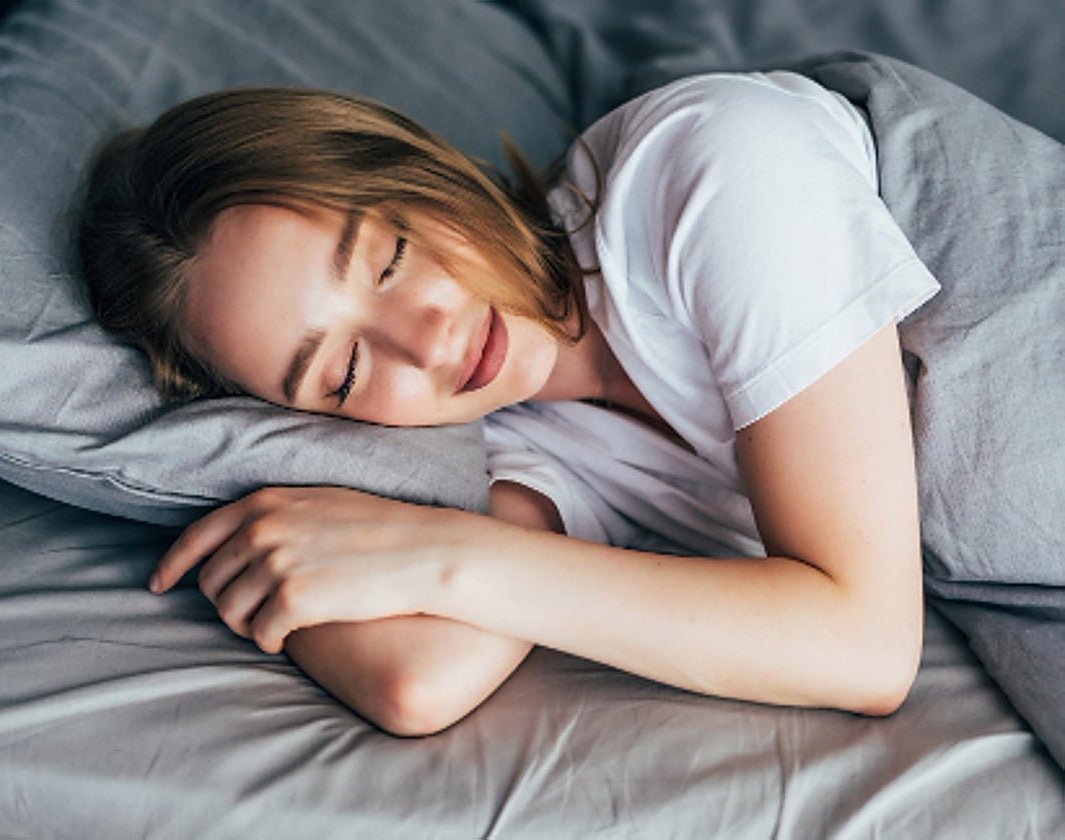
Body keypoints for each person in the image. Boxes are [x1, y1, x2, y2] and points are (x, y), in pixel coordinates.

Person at [77, 73, 939, 737]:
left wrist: (447, 556)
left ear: (417, 164)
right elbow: (417, 678)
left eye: (390, 257)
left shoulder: (713, 164)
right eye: (341, 373)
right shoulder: (534, 443)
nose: (427, 341)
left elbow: (866, 645)